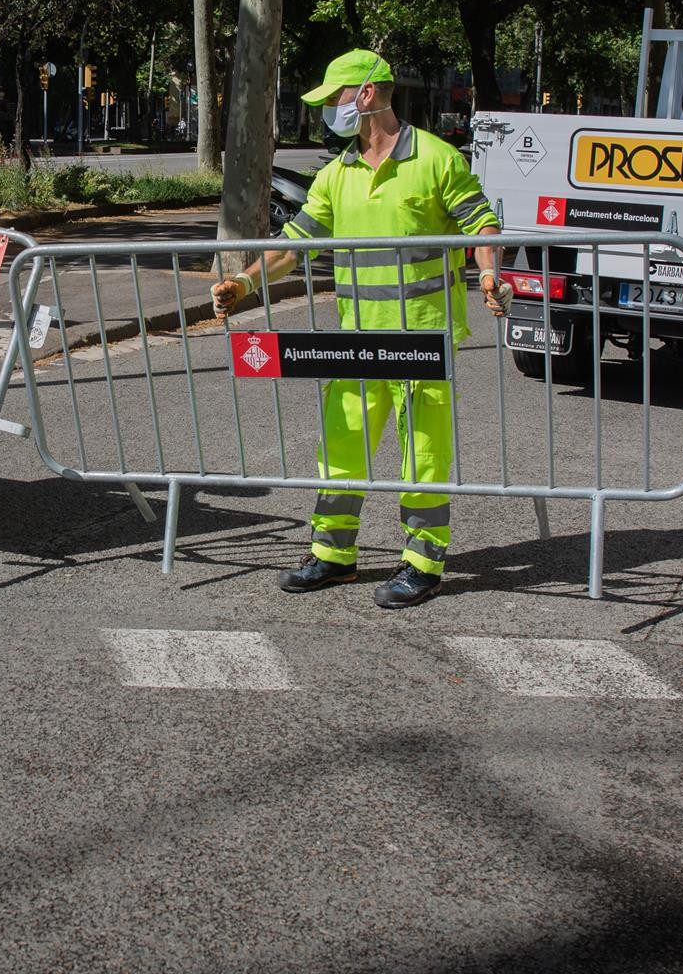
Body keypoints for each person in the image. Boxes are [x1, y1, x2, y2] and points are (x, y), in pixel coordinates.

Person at [210, 50, 508, 609]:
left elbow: (481, 222)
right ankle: (333, 555)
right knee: (341, 446)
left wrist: (490, 271)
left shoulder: (437, 161)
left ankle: (423, 562)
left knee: (423, 453)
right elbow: (293, 246)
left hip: (422, 340)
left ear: (366, 94)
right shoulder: (336, 174)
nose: (329, 109)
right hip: (355, 341)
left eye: (335, 98)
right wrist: (245, 283)